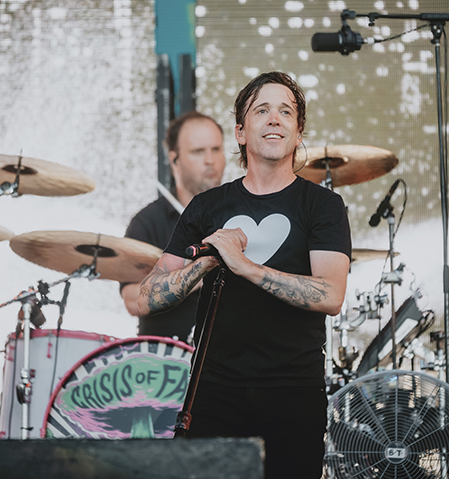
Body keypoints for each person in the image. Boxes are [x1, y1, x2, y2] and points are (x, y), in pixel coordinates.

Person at [136, 71, 351, 478]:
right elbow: (147, 296)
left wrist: (246, 267)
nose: (274, 119)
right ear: (240, 132)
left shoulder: (323, 206)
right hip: (214, 393)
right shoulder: (206, 206)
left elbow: (330, 294)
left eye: (285, 111)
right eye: (262, 110)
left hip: (293, 393)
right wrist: (208, 262)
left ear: (298, 132)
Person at [120, 111, 226, 340]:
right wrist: (198, 272)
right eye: (198, 151)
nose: (210, 160)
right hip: (166, 355)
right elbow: (132, 300)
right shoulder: (148, 222)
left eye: (216, 149)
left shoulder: (240, 214)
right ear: (174, 159)